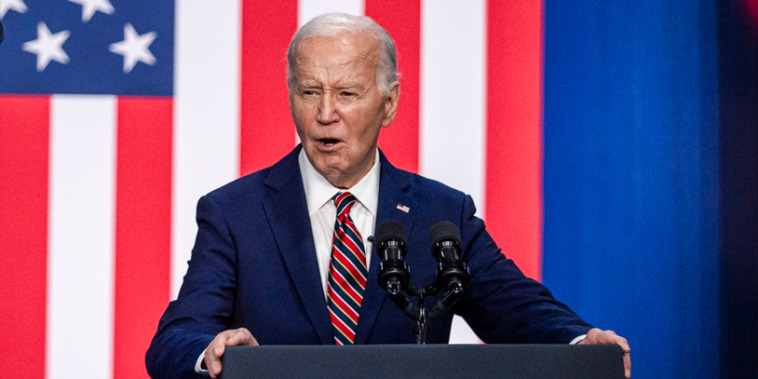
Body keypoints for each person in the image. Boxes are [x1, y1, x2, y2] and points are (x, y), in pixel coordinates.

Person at [146, 13, 631, 379]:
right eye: (310, 92)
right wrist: (208, 350)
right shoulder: (234, 212)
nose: (326, 113)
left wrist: (578, 340)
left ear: (390, 103)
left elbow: (513, 306)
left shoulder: (442, 214)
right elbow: (174, 338)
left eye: (348, 94)